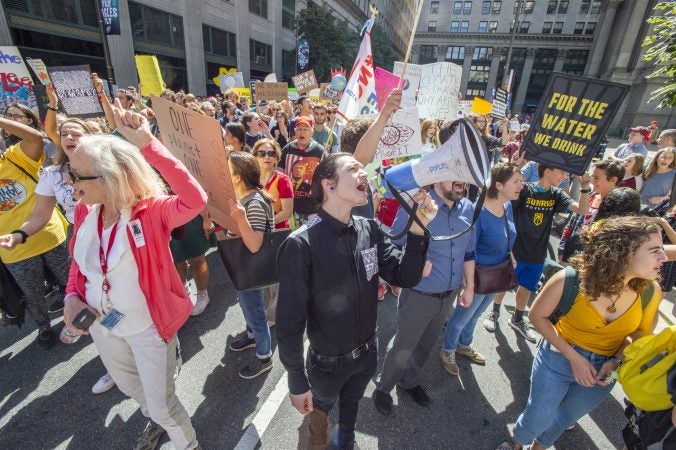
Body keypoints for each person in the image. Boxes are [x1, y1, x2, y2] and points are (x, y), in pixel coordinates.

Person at [61, 102, 205, 449]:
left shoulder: (150, 212)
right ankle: (154, 419)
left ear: (111, 176)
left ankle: (186, 441)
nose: (72, 185)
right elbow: (79, 264)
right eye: (71, 173)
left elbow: (194, 200)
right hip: (102, 324)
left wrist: (148, 144)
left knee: (164, 404)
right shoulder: (85, 209)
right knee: (129, 387)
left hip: (148, 328)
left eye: (79, 177)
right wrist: (70, 296)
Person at [276, 152, 435, 450]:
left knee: (350, 408)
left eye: (363, 169)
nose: (365, 173)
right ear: (330, 185)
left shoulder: (370, 229)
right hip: (326, 366)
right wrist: (297, 380)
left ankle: (345, 440)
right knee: (320, 411)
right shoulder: (300, 244)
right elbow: (288, 323)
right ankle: (316, 439)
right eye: (354, 168)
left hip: (366, 356)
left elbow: (405, 275)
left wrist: (418, 226)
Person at [499, 217, 664, 450]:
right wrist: (574, 358)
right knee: (540, 415)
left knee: (564, 419)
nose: (664, 257)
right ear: (625, 252)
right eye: (655, 250)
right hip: (557, 359)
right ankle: (518, 443)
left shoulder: (650, 292)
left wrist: (615, 361)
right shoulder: (571, 279)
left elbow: (640, 334)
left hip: (602, 374)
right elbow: (537, 317)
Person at [374, 172, 476, 413]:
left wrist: (469, 286)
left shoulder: (469, 208)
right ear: (439, 175)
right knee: (404, 344)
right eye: (454, 173)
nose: (460, 179)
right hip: (419, 294)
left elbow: (469, 252)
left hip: (449, 295)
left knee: (425, 344)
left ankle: (409, 382)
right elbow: (391, 243)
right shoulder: (419, 204)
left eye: (463, 173)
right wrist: (406, 266)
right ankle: (384, 388)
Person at [483, 164, 592, 342]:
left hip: (537, 253)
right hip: (516, 250)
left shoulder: (556, 194)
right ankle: (494, 311)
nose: (565, 175)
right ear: (547, 171)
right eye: (561, 171)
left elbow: (583, 210)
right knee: (504, 283)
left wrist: (585, 188)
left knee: (527, 287)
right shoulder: (525, 189)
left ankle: (517, 318)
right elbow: (503, 202)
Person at [439, 163, 523, 377]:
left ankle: (464, 345)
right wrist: (469, 283)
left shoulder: (507, 207)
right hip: (479, 275)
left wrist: (511, 256)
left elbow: (508, 234)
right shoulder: (478, 212)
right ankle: (448, 349)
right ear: (498, 185)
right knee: (461, 317)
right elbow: (469, 250)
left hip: (499, 273)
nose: (521, 186)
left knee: (476, 314)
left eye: (521, 181)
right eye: (516, 182)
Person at [0, 112, 68, 349]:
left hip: (49, 234)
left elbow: (35, 138)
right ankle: (44, 327)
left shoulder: (14, 158)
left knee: (70, 280)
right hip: (12, 249)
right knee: (33, 293)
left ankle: (80, 317)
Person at [226, 151, 276, 379]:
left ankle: (264, 356)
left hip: (251, 271)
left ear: (237, 178)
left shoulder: (253, 204)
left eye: (227, 170)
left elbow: (255, 245)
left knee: (256, 313)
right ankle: (251, 335)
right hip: (244, 268)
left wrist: (239, 219)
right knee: (247, 306)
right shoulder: (248, 197)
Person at [253, 139, 293, 326]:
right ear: (255, 157)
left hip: (278, 234)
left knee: (276, 277)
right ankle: (265, 309)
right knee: (262, 274)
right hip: (257, 233)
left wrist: (263, 223)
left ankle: (273, 315)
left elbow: (287, 212)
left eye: (271, 153)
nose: (266, 157)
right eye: (262, 153)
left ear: (277, 158)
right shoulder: (250, 180)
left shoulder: (283, 180)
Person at [558, 160, 625, 263]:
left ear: (613, 180)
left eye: (596, 178)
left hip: (590, 262)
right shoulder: (590, 197)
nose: (592, 181)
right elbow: (571, 224)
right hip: (570, 254)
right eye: (592, 176)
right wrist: (562, 247)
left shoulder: (617, 207)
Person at [278, 116, 326, 224]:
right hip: (292, 208)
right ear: (295, 132)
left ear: (311, 132)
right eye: (299, 129)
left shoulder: (320, 151)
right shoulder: (287, 149)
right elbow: (279, 174)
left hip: (313, 209)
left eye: (305, 129)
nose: (302, 132)